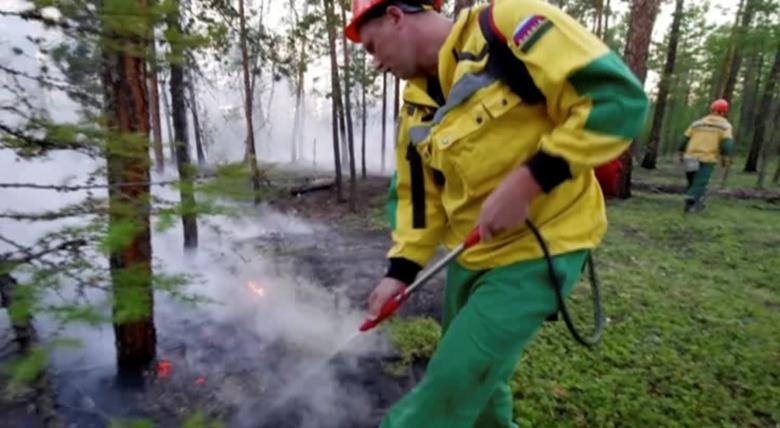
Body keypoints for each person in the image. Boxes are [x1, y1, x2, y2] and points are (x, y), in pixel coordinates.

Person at [345, 0, 648, 426]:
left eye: (374, 47)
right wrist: (399, 272)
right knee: (481, 389)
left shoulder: (507, 25)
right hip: (469, 257)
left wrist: (528, 181)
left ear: (396, 16)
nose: (376, 64)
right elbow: (419, 198)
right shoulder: (414, 108)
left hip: (541, 248)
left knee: (450, 386)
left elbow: (615, 99)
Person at [678, 99, 735, 213]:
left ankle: (695, 204)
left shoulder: (697, 123)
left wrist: (681, 152)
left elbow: (685, 139)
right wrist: (725, 158)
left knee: (692, 181)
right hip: (707, 158)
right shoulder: (725, 126)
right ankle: (691, 201)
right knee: (700, 182)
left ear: (711, 109)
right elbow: (727, 144)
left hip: (690, 155)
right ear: (724, 112)